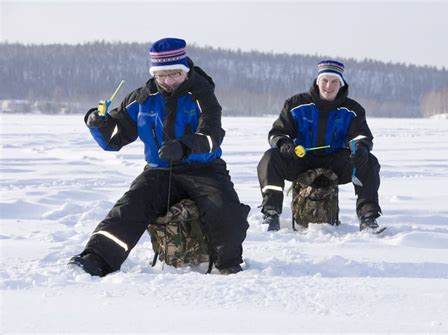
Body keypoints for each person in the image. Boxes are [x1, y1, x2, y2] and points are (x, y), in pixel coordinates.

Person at [68, 38, 249, 276]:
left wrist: (185, 146)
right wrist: (99, 124)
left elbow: (212, 135)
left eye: (174, 74)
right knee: (129, 207)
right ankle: (96, 259)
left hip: (205, 169)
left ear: (185, 71)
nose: (168, 81)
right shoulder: (141, 99)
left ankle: (227, 265)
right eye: (161, 75)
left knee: (225, 210)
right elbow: (115, 138)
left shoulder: (202, 94)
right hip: (159, 170)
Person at [257, 60, 382, 232]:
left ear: (341, 84)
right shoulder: (296, 104)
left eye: (334, 82)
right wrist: (284, 145)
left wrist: (360, 148)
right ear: (317, 81)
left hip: (336, 161)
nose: (328, 86)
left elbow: (360, 136)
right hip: (300, 160)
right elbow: (277, 133)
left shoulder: (353, 110)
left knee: (369, 161)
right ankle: (271, 213)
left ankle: (368, 217)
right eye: (325, 80)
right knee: (270, 158)